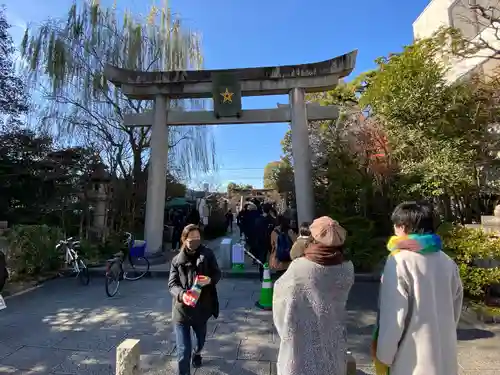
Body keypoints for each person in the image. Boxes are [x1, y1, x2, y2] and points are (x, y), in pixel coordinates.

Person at [371, 201, 463, 375]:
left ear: (403, 227)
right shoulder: (447, 261)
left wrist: (383, 357)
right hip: (444, 355)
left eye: (396, 226)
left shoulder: (399, 260)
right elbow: (455, 309)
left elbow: (393, 317)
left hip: (411, 360)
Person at [273, 216, 354, 375]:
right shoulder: (348, 268)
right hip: (333, 336)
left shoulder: (299, 267)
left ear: (314, 237)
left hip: (301, 342)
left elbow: (281, 301)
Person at [168, 224, 221, 375]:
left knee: (199, 343)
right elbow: (172, 284)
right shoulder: (176, 261)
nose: (195, 241)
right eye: (192, 239)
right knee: (183, 351)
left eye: (198, 238)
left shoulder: (207, 254)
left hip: (201, 310)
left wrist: (209, 280)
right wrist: (182, 294)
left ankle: (197, 353)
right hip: (182, 312)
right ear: (184, 240)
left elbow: (217, 273)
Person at [254, 203, 277, 280]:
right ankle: (277, 271)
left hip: (261, 241)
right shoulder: (272, 220)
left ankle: (262, 275)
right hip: (270, 241)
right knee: (274, 255)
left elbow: (255, 231)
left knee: (262, 258)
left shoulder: (258, 220)